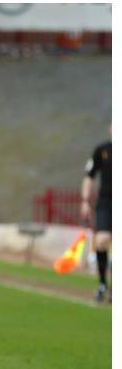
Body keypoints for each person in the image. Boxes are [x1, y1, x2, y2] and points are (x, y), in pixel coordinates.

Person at [80, 128, 112, 303]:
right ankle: (102, 284)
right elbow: (89, 176)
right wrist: (85, 200)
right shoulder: (102, 150)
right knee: (101, 240)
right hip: (106, 202)